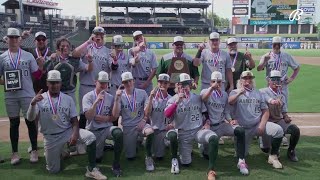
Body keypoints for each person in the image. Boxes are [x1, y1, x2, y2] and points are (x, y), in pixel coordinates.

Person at [26, 70, 107, 179]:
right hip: (51, 138)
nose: (54, 85)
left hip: (66, 132)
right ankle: (62, 151)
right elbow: (30, 118)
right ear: (47, 83)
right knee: (53, 170)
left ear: (60, 83)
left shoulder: (67, 99)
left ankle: (92, 169)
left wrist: (74, 134)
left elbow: (74, 120)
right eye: (52, 82)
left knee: (91, 137)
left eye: (57, 82)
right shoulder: (40, 99)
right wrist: (33, 103)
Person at [0, 28, 44, 165]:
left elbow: (36, 76)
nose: (13, 40)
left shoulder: (28, 56)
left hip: (27, 94)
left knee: (30, 122)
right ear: (7, 39)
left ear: (20, 39)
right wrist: (7, 82)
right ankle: (15, 153)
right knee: (14, 123)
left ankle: (34, 150)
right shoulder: (2, 58)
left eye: (16, 37)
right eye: (11, 37)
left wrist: (41, 67)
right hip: (10, 96)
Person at [164, 73, 219, 180]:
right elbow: (167, 114)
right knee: (186, 162)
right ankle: (184, 152)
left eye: (187, 84)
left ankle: (211, 169)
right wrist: (177, 102)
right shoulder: (173, 99)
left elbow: (204, 111)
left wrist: (207, 122)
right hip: (183, 133)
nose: (185, 87)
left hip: (198, 130)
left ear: (190, 85)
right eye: (182, 84)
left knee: (213, 138)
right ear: (177, 85)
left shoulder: (196, 97)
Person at [228, 71, 284, 169]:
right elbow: (230, 102)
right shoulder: (235, 92)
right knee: (241, 154)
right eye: (245, 78)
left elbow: (265, 110)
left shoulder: (258, 92)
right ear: (241, 80)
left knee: (278, 130)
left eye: (250, 78)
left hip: (257, 125)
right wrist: (239, 93)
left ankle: (273, 156)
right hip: (243, 128)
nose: (248, 80)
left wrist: (262, 125)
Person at [200, 71, 248, 175]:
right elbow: (203, 99)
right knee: (207, 154)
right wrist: (212, 88)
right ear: (210, 82)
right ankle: (203, 148)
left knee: (239, 130)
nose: (216, 83)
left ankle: (241, 161)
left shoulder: (224, 95)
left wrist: (231, 121)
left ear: (223, 83)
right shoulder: (205, 91)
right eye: (213, 81)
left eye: (219, 82)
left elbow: (226, 111)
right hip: (209, 127)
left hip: (221, 124)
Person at [82, 71, 124, 177]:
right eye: (101, 83)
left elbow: (114, 116)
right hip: (93, 131)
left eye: (105, 83)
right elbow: (88, 117)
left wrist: (116, 100)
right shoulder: (88, 97)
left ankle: (116, 164)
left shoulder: (110, 97)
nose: (103, 85)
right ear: (95, 82)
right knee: (97, 158)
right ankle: (103, 147)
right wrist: (95, 103)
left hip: (106, 128)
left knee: (118, 132)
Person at [112, 72, 155, 171]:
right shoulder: (120, 95)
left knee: (150, 132)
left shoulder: (142, 93)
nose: (128, 83)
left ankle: (148, 157)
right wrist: (116, 99)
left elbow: (148, 111)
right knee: (130, 157)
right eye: (125, 82)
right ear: (122, 83)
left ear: (133, 81)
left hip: (141, 123)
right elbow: (115, 115)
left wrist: (144, 120)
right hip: (128, 126)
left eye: (130, 81)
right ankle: (136, 143)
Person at [72, 27, 110, 129]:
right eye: (96, 34)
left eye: (101, 35)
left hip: (100, 87)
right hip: (86, 85)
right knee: (84, 113)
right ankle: (82, 139)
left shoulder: (107, 51)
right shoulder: (87, 47)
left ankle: (100, 136)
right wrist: (88, 42)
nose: (98, 37)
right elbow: (74, 53)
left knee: (99, 111)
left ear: (103, 36)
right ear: (92, 35)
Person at [259, 70, 300, 162]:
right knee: (265, 149)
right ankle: (272, 147)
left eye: (278, 79)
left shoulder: (282, 95)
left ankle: (291, 151)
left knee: (295, 130)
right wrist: (272, 101)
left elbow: (284, 111)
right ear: (268, 80)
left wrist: (286, 117)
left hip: (278, 120)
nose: (275, 81)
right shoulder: (262, 91)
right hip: (266, 122)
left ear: (280, 81)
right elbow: (266, 98)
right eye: (273, 79)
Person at [144, 73, 179, 174]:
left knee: (174, 135)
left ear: (169, 84)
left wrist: (172, 123)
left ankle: (173, 156)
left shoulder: (171, 98)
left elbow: (176, 116)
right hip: (154, 130)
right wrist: (151, 98)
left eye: (165, 83)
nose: (162, 84)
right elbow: (146, 113)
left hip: (166, 130)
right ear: (157, 83)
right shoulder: (151, 97)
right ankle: (148, 155)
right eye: (160, 82)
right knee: (158, 156)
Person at [257, 36, 300, 112]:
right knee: (270, 104)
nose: (276, 46)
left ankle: (284, 118)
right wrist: (264, 61)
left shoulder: (286, 56)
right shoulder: (266, 56)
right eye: (275, 44)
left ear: (281, 45)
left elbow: (297, 67)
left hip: (282, 84)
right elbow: (259, 69)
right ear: (271, 44)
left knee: (284, 105)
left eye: (278, 44)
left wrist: (291, 78)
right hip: (270, 85)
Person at [47, 38, 93, 104]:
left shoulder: (74, 61)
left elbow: (88, 69)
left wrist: (90, 61)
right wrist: (50, 60)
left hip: (70, 93)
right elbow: (44, 71)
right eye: (63, 46)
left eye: (67, 46)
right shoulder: (53, 59)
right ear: (58, 48)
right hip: (56, 93)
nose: (65, 48)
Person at [129, 31, 158, 95]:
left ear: (143, 38)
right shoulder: (131, 51)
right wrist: (139, 49)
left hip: (147, 82)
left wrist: (147, 83)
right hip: (135, 82)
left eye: (140, 37)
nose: (139, 40)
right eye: (137, 39)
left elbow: (154, 69)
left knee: (148, 102)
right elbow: (131, 63)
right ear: (134, 41)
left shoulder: (151, 53)